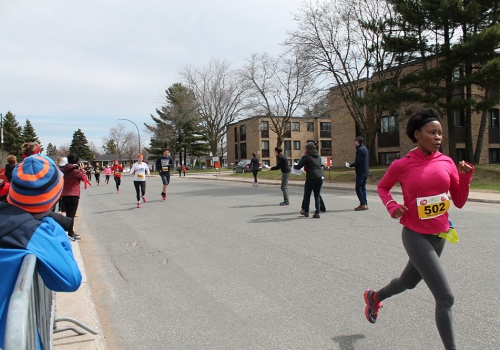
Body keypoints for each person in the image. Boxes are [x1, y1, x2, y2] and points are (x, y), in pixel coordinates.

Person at [364, 108, 474, 350]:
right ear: (417, 134)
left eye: (440, 133)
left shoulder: (446, 162)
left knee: (408, 282)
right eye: (431, 132)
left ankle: (375, 296)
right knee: (445, 297)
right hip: (415, 234)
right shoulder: (402, 165)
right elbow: (383, 188)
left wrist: (465, 178)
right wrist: (392, 205)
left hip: (440, 234)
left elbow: (459, 200)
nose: (437, 137)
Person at [0, 154, 82, 349]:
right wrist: (53, 228)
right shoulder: (34, 232)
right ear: (55, 196)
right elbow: (70, 280)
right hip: (13, 336)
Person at [61, 154, 90, 241]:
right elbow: (84, 179)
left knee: (67, 214)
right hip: (73, 194)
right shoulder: (76, 171)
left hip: (64, 194)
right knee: (71, 215)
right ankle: (70, 232)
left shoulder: (63, 170)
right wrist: (82, 170)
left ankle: (67, 230)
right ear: (76, 161)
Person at [294, 142, 324, 218]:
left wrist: (293, 166)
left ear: (308, 149)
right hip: (320, 176)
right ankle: (317, 212)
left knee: (307, 194)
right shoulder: (318, 156)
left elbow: (298, 166)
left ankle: (306, 211)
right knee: (317, 195)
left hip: (311, 177)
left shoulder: (306, 156)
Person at [346, 136, 369, 211]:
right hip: (365, 171)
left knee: (358, 188)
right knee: (363, 188)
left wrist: (350, 165)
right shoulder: (365, 149)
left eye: (355, 141)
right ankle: (365, 203)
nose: (355, 142)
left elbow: (358, 161)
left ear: (358, 141)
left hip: (361, 172)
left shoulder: (359, 150)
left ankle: (362, 204)